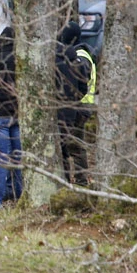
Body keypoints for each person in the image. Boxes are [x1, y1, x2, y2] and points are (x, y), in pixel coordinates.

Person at [0, 27, 22, 208]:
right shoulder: (22, 62)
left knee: (0, 159)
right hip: (17, 113)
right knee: (18, 158)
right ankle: (19, 195)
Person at [55, 21, 94, 186]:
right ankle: (77, 180)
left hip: (79, 106)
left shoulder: (78, 58)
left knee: (74, 147)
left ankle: (80, 181)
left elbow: (80, 84)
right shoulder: (82, 54)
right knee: (72, 146)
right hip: (81, 105)